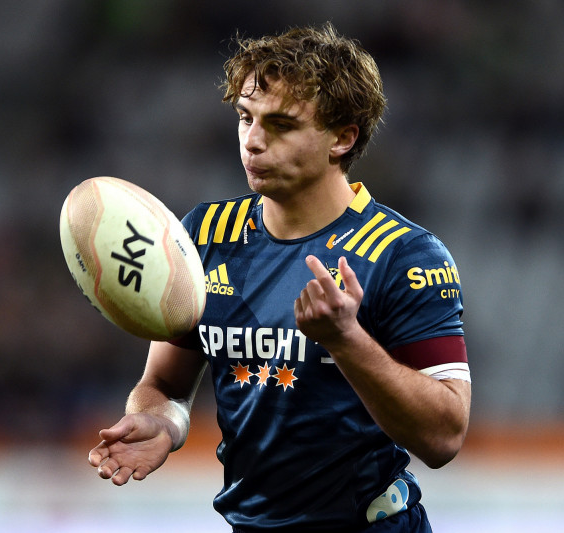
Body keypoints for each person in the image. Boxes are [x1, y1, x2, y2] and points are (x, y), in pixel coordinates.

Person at [88, 22, 471, 532]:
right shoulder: (205, 234)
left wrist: (347, 340)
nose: (253, 141)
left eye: (282, 125)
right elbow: (164, 384)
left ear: (342, 137)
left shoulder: (405, 255)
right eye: (245, 118)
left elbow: (444, 437)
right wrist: (162, 421)